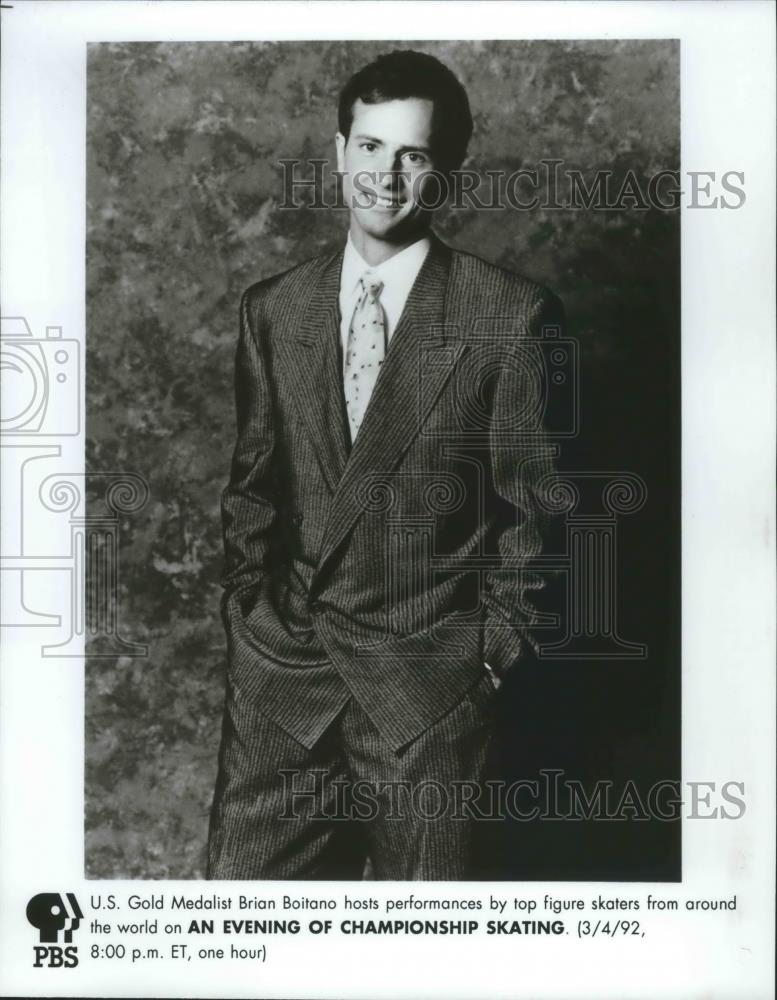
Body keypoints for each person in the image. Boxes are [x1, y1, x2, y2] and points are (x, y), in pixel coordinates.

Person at [207, 49, 563, 880]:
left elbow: (540, 516)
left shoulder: (508, 317)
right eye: (369, 147)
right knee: (236, 944)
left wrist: (484, 660)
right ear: (338, 153)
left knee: (425, 955)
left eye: (413, 154)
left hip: (427, 700)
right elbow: (252, 493)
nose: (385, 175)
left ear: (447, 170)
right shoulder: (273, 309)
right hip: (282, 690)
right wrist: (247, 624)